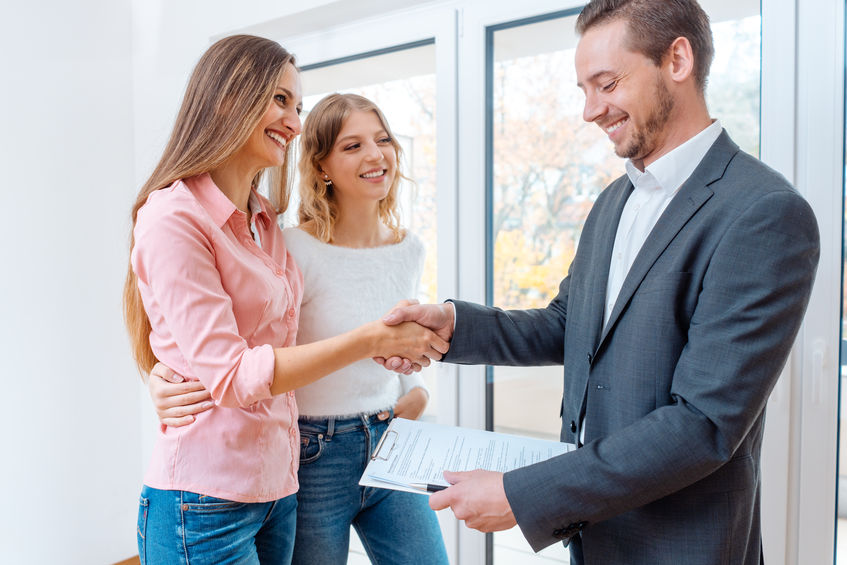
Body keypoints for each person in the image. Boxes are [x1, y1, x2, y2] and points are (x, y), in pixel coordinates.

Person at [379, 1, 821, 563]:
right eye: (583, 89)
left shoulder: (765, 211)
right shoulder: (615, 200)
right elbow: (571, 325)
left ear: (677, 59)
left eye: (606, 83)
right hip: (595, 535)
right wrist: (454, 327)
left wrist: (525, 495)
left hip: (681, 545)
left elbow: (703, 423)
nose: (590, 111)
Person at [125, 36, 447, 564]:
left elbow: (273, 335)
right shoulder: (174, 216)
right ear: (229, 97)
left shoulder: (263, 221)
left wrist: (408, 390)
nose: (294, 122)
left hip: (279, 485)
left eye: (296, 106)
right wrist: (370, 340)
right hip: (207, 495)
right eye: (281, 101)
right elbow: (227, 370)